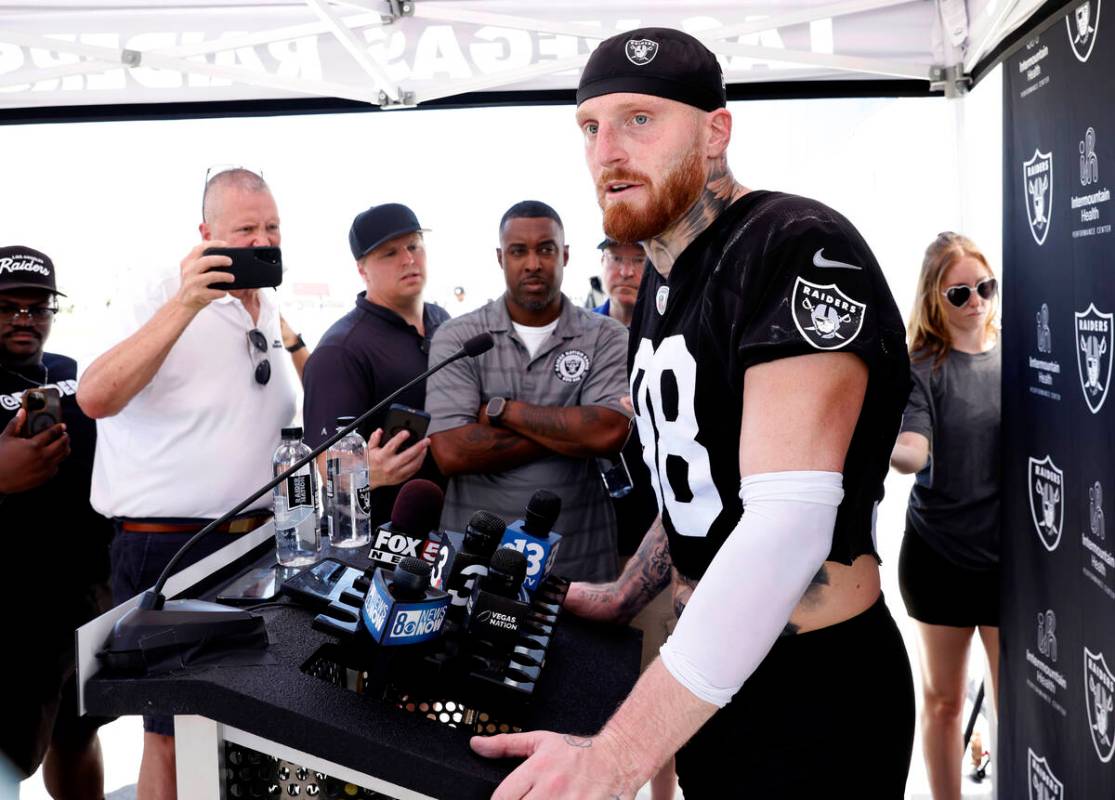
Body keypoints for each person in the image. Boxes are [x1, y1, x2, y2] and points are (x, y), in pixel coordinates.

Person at [470, 28, 915, 798]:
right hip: (711, 687)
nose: (607, 149)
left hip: (810, 691)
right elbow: (699, 487)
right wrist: (622, 593)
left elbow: (787, 526)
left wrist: (615, 757)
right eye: (589, 126)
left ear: (716, 131)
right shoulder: (667, 277)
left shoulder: (796, 246)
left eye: (639, 119)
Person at [77, 168, 301, 800]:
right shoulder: (162, 291)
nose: (262, 241)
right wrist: (185, 303)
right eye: (245, 230)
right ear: (206, 235)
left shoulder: (268, 300)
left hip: (253, 548)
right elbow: (96, 395)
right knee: (172, 734)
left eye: (273, 227)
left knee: (238, 730)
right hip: (169, 550)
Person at [425, 200, 631, 582]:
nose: (533, 263)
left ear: (565, 255)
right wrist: (572, 434)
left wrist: (504, 413)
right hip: (473, 559)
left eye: (546, 249)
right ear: (501, 258)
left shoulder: (607, 336)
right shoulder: (459, 336)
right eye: (519, 251)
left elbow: (608, 433)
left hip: (578, 560)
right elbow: (451, 451)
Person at [890, 232, 1001, 800]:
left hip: (1010, 561)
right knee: (943, 701)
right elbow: (912, 449)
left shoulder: (1023, 354)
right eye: (960, 293)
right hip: (940, 560)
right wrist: (881, 446)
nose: (976, 301)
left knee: (1021, 701)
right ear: (935, 298)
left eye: (985, 287)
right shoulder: (921, 367)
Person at [0, 246, 113, 799]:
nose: (25, 319)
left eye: (37, 307)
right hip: (12, 611)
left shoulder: (71, 375)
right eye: (8, 306)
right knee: (7, 755)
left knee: (78, 733)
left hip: (84, 592)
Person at [302, 203, 449, 526]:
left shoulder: (443, 321)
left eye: (413, 246)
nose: (408, 259)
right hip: (376, 541)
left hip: (444, 527)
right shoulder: (340, 349)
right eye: (389, 253)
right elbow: (327, 465)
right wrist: (368, 472)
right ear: (361, 268)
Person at [594, 237, 646, 327]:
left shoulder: (670, 331)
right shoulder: (580, 327)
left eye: (639, 260)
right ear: (602, 261)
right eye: (615, 258)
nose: (625, 273)